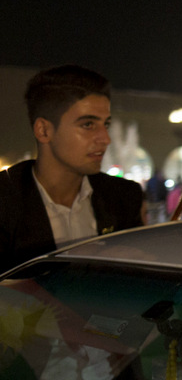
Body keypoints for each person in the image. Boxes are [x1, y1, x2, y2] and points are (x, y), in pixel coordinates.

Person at [1, 65, 144, 273]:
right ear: (44, 130)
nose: (105, 139)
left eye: (106, 124)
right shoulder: (5, 201)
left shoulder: (122, 197)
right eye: (88, 125)